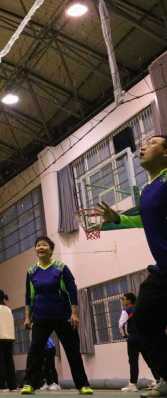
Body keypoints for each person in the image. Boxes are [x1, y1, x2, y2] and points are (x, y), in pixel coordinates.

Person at [98, 134, 167, 398]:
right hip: (163, 269)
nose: (143, 146)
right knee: (143, 318)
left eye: (152, 143)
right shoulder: (148, 188)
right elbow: (142, 220)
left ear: (165, 153)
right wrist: (117, 219)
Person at [19, 236, 92, 395]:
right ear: (35, 250)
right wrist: (27, 317)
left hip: (63, 316)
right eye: (38, 245)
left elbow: (72, 290)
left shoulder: (61, 268)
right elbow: (29, 296)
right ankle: (29, 384)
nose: (41, 247)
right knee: (35, 351)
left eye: (44, 245)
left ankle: (83, 385)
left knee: (72, 351)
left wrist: (74, 313)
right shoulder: (31, 271)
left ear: (51, 250)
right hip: (41, 317)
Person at [119, 292, 160, 391]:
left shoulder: (126, 310)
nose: (122, 301)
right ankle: (159, 381)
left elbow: (121, 324)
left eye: (123, 299)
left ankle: (133, 385)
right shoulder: (141, 308)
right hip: (144, 339)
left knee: (133, 362)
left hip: (133, 340)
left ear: (129, 300)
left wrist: (125, 336)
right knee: (150, 361)